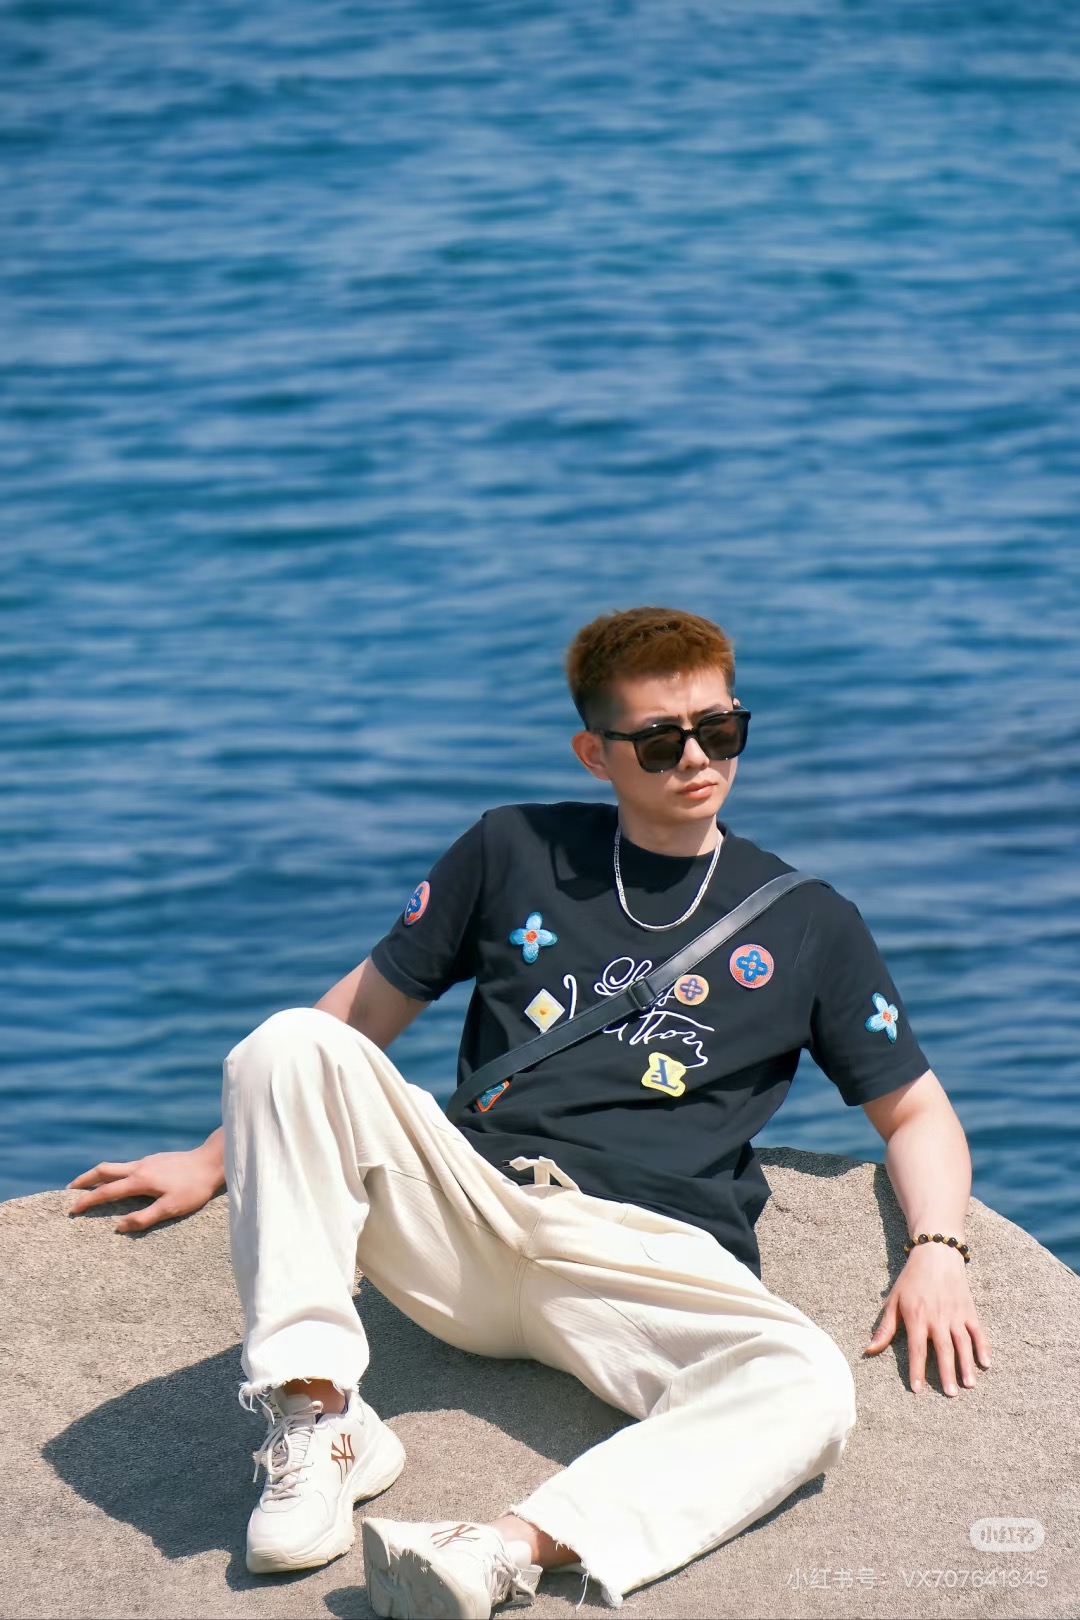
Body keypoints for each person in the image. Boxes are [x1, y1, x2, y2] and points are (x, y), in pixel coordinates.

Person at [70, 606, 990, 1618]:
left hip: (640, 1260)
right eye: (661, 741)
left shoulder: (810, 921)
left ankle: (499, 1550)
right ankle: (321, 1420)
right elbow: (358, 1018)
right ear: (596, 754)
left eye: (720, 729)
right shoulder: (512, 847)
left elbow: (917, 1113)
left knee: (807, 1385)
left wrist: (937, 1248)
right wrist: (219, 1153)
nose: (697, 759)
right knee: (286, 1039)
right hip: (468, 1215)